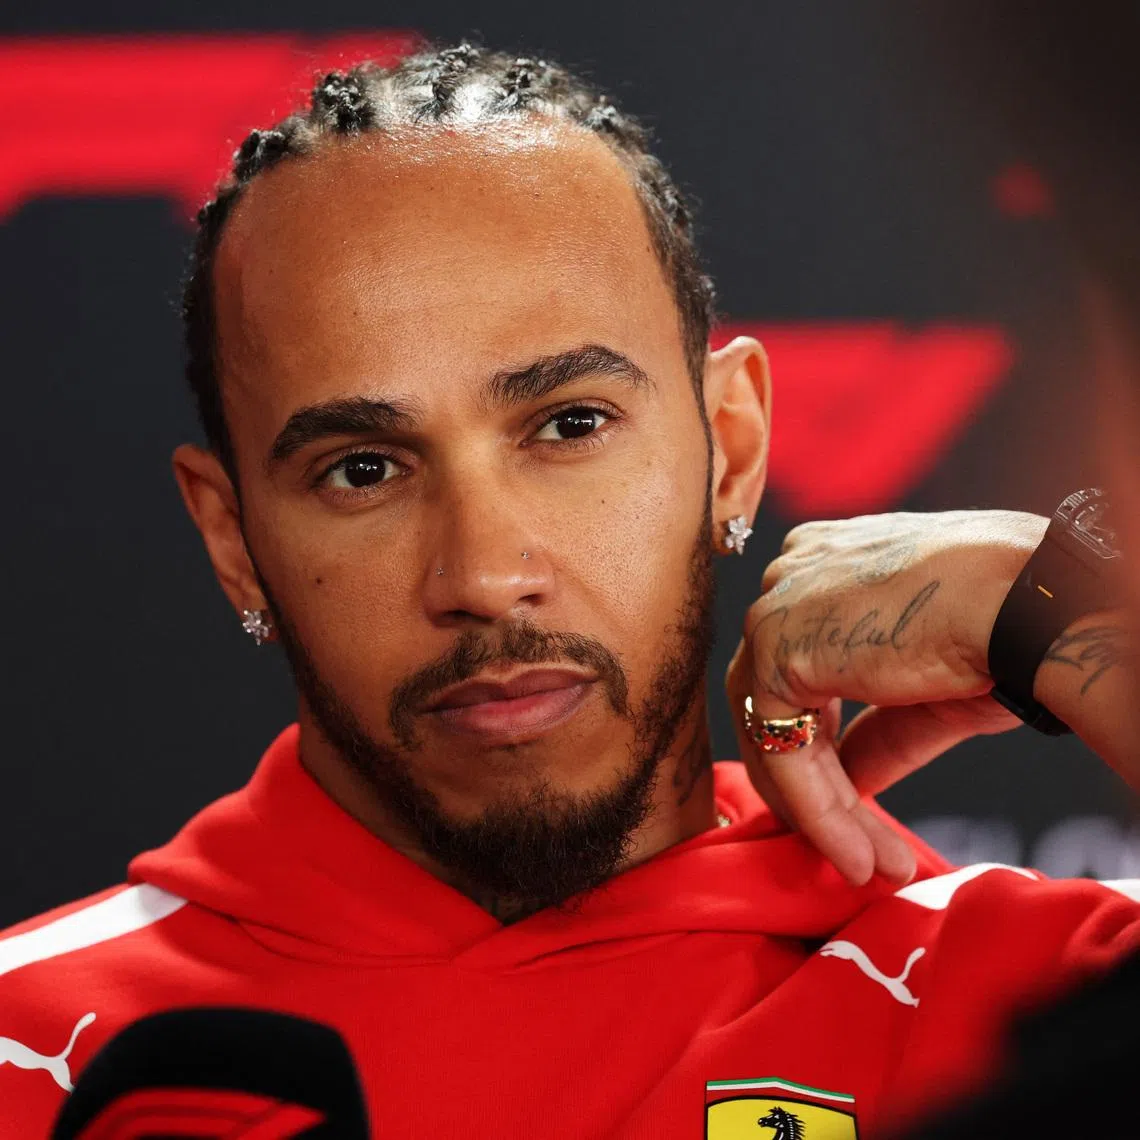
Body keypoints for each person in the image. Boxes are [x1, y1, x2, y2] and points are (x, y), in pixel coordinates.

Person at [0, 43, 1136, 1139]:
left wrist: (1059, 609)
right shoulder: (26, 1053)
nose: (487, 578)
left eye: (570, 424)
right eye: (363, 470)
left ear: (731, 446)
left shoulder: (1045, 1001)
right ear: (233, 537)